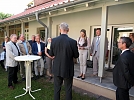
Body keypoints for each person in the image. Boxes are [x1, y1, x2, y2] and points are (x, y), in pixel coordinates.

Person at [50, 22, 79, 100]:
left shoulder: (54, 40)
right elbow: (76, 55)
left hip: (57, 68)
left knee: (57, 89)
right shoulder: (73, 42)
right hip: (68, 69)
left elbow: (51, 54)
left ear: (60, 30)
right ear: (68, 30)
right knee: (68, 89)